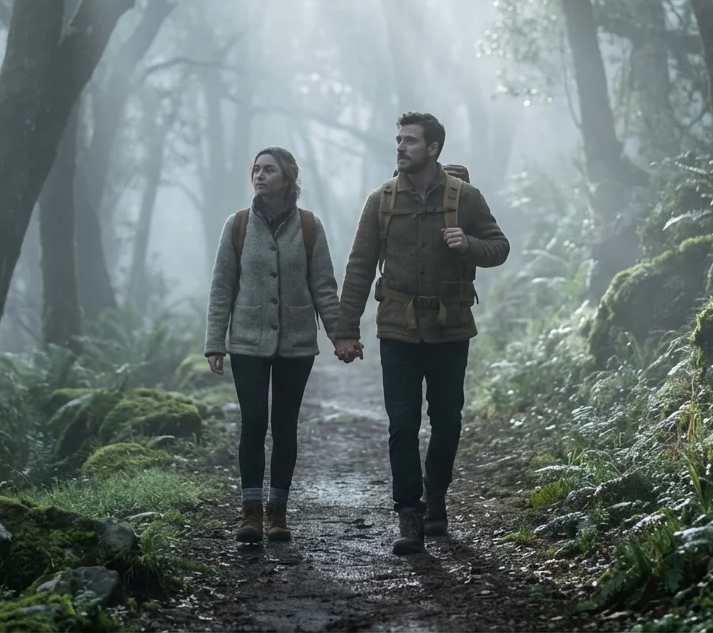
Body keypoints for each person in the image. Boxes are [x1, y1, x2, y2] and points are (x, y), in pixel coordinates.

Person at [331, 112, 510, 555]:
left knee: (447, 422)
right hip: (397, 329)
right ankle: (408, 514)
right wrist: (345, 330)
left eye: (410, 141)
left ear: (433, 149)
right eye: (398, 140)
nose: (400, 147)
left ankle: (437, 500)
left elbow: (500, 247)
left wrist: (467, 244)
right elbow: (358, 267)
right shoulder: (382, 200)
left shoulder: (465, 198)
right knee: (403, 424)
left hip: (450, 328)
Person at [204, 146, 343, 544]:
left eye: (269, 170)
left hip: (296, 343)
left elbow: (323, 287)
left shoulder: (310, 226)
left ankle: (277, 513)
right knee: (253, 423)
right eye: (256, 169)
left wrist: (340, 336)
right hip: (246, 342)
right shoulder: (238, 225)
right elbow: (221, 287)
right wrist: (215, 342)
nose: (260, 176)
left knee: (285, 426)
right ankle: (250, 514)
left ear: (288, 178)